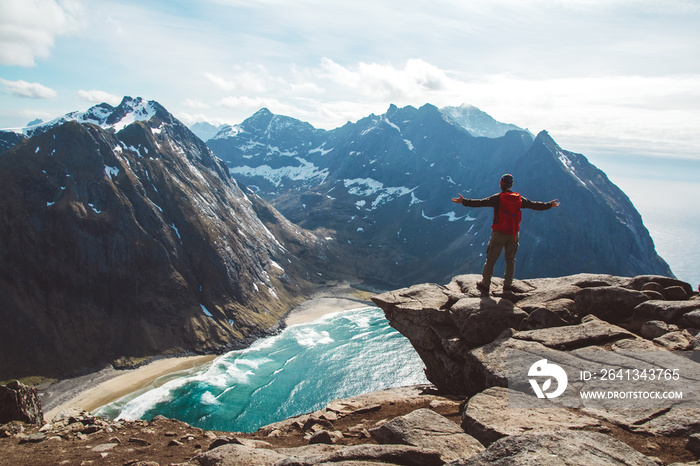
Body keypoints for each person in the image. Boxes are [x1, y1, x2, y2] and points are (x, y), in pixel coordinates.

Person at [451, 174, 560, 294]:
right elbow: (534, 205)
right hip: (513, 234)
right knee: (510, 260)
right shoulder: (519, 199)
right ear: (511, 185)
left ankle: (485, 284)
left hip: (498, 234)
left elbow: (480, 203)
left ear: (501, 184)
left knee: (491, 259)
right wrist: (550, 205)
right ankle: (507, 286)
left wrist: (464, 201)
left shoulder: (498, 198)